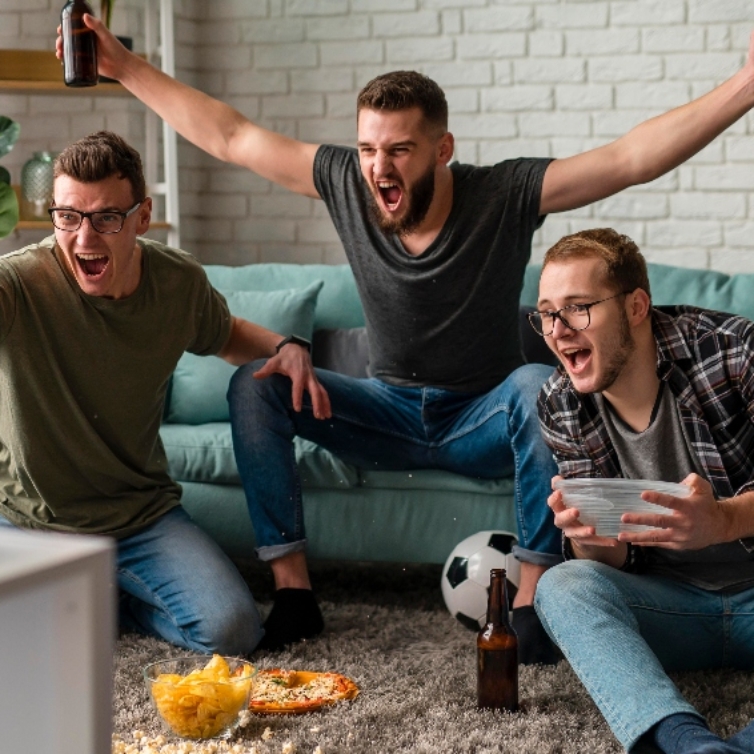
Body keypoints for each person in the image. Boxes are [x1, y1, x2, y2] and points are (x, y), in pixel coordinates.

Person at [56, 19, 754, 662]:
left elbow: (630, 158)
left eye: (398, 150)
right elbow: (232, 136)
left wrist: (744, 86)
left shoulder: (502, 194)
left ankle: (531, 603)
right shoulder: (348, 184)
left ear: (442, 149)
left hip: (479, 415)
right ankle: (295, 594)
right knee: (256, 384)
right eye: (367, 149)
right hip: (385, 411)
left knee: (532, 386)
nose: (378, 167)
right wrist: (124, 66)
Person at [0, 130, 329, 655]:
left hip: (139, 516)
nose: (84, 238)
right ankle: (89, 598)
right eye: (68, 217)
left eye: (107, 218)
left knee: (232, 632)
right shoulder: (18, 284)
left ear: (143, 217)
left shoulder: (177, 282)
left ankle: (103, 598)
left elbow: (225, 333)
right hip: (28, 519)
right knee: (29, 643)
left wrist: (284, 345)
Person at [532, 228, 754, 753]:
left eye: (578, 308)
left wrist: (723, 520)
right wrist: (589, 539)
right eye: (546, 314)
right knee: (563, 586)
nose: (558, 331)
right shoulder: (560, 401)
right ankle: (686, 743)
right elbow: (614, 559)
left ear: (636, 306)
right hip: (669, 607)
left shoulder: (733, 351)